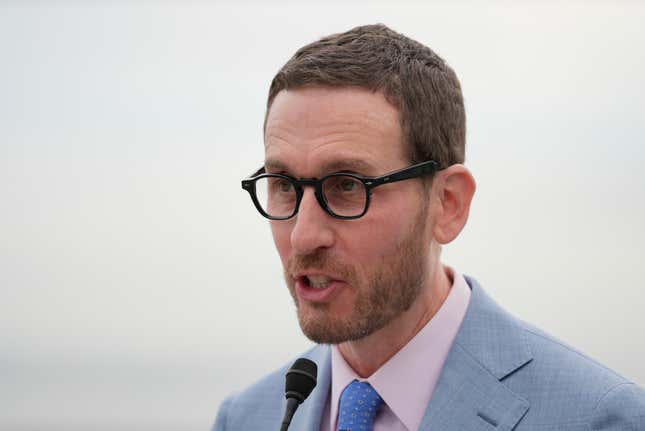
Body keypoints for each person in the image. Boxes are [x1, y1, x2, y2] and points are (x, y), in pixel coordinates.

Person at [213, 24, 645, 430]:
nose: (303, 236)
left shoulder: (599, 418)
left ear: (447, 204)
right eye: (284, 185)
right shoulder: (247, 418)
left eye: (347, 186)